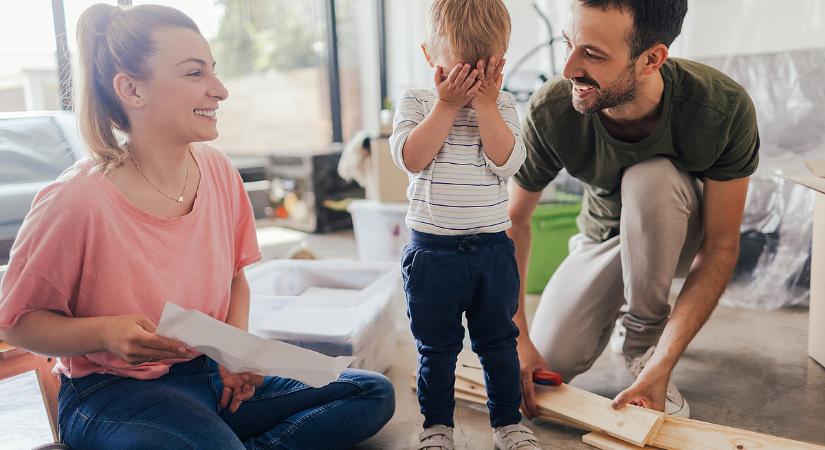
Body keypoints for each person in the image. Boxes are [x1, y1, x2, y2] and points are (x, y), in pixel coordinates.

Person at [0, 4, 394, 449]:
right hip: (112, 393)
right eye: (195, 74)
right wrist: (104, 333)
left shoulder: (219, 171)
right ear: (131, 89)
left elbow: (236, 278)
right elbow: (15, 324)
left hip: (208, 371)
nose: (220, 90)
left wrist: (235, 353)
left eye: (214, 72)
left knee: (370, 392)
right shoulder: (75, 201)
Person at [508, 0, 759, 420]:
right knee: (548, 363)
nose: (569, 67)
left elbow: (720, 246)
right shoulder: (551, 110)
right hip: (603, 239)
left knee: (651, 177)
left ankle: (644, 344)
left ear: (651, 60)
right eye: (569, 43)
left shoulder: (722, 108)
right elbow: (513, 222)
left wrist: (662, 364)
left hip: (678, 234)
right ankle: (622, 314)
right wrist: (515, 340)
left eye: (592, 53)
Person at [389, 1, 540, 449]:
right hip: (433, 253)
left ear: (500, 64)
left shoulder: (505, 105)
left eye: (481, 70)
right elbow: (411, 158)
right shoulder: (417, 102)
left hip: (492, 251)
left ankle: (507, 424)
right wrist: (446, 106)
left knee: (499, 343)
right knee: (436, 350)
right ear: (428, 57)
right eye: (458, 71)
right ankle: (437, 427)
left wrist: (486, 105)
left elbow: (507, 161)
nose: (469, 82)